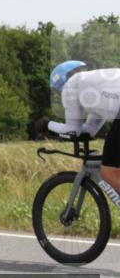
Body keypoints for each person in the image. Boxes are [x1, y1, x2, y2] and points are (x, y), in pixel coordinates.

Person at [35, 61, 120, 193]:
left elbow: (72, 130)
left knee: (109, 172)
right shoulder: (96, 87)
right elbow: (90, 130)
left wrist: (46, 124)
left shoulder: (71, 84)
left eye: (58, 91)